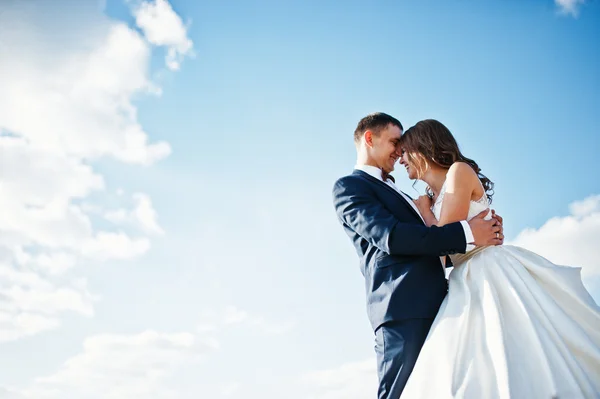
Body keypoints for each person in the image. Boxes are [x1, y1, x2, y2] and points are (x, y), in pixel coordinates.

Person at [399, 119, 600, 399]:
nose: (401, 159)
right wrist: (428, 208)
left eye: (406, 152)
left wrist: (425, 212)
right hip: (462, 279)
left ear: (423, 147)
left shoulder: (458, 171)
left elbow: (445, 236)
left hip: (488, 271)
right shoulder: (432, 196)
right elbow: (445, 251)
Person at [331, 112, 504, 399]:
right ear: (369, 139)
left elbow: (430, 247)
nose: (400, 151)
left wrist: (482, 236)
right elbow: (392, 237)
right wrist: (468, 234)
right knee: (400, 392)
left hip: (444, 302)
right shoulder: (351, 187)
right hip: (403, 308)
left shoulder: (402, 192)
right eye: (394, 142)